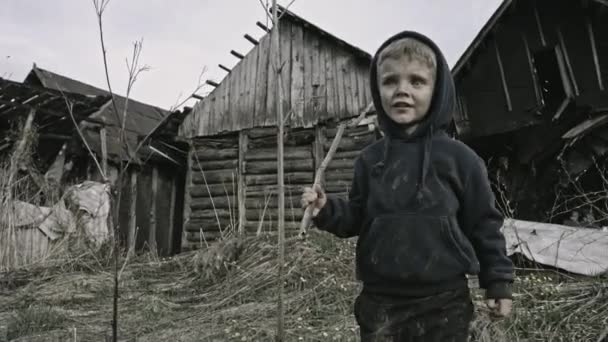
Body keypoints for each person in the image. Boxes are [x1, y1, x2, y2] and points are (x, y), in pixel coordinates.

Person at [302, 31, 514, 341]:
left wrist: (497, 282)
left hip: (445, 302)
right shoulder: (370, 160)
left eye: (416, 81)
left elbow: (485, 225)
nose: (402, 90)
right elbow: (357, 217)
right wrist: (326, 209)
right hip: (380, 303)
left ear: (438, 90)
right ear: (378, 90)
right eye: (390, 81)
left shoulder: (461, 159)